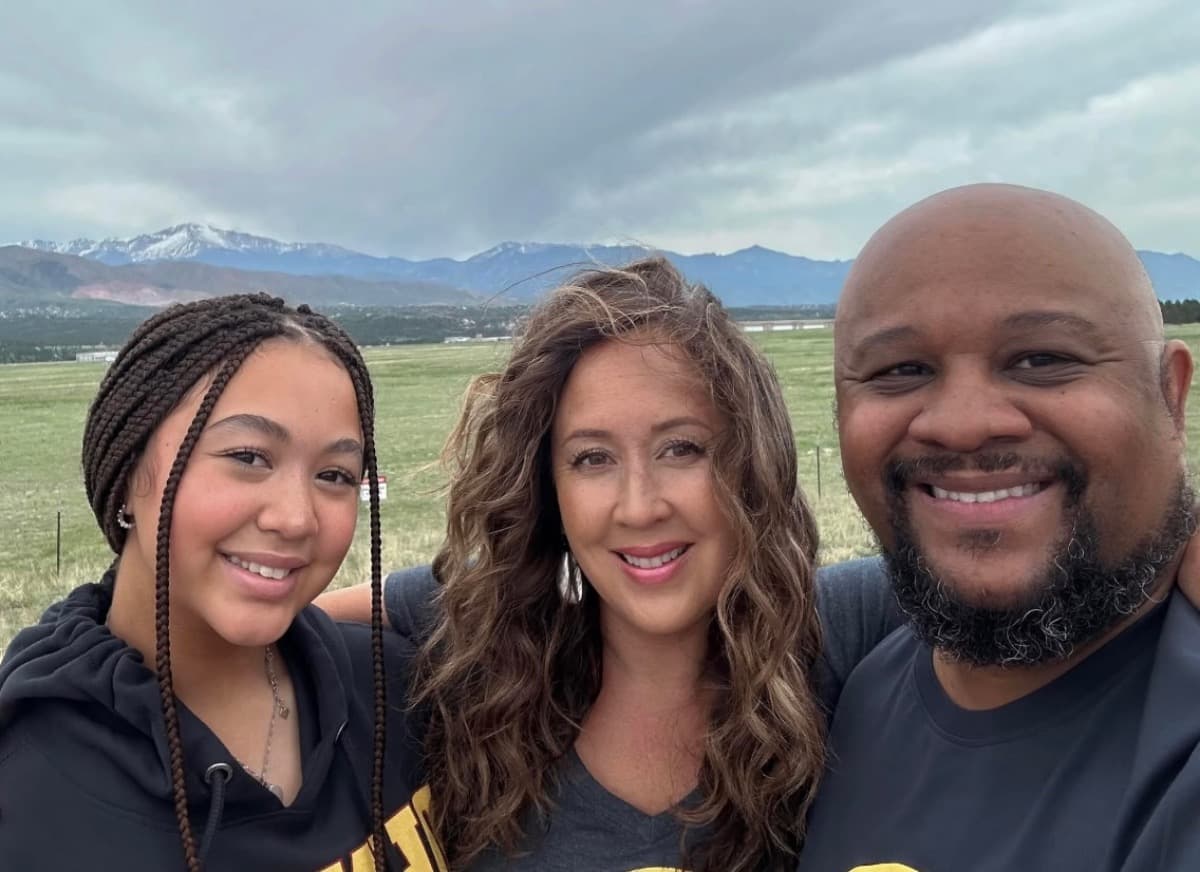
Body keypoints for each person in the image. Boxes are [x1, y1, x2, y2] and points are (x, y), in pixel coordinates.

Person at [322, 257, 901, 871]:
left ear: (750, 466)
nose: (640, 506)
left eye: (682, 448)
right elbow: (284, 621)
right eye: (593, 458)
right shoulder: (481, 638)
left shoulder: (839, 633)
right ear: (548, 489)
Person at [798, 183, 1200, 871]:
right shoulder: (848, 693)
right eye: (901, 370)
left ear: (1171, 394)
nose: (963, 424)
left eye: (1042, 359)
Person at [0, 295, 440, 871]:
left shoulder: (403, 692)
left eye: (334, 475)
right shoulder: (28, 790)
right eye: (249, 457)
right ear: (129, 472)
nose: (296, 518)